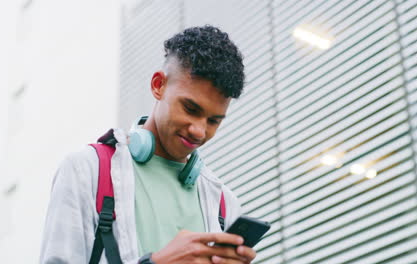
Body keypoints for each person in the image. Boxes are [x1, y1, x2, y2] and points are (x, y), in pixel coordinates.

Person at [40, 25, 257, 264]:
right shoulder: (85, 170)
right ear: (158, 85)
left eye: (214, 121)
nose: (199, 130)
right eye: (190, 109)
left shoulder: (225, 205)